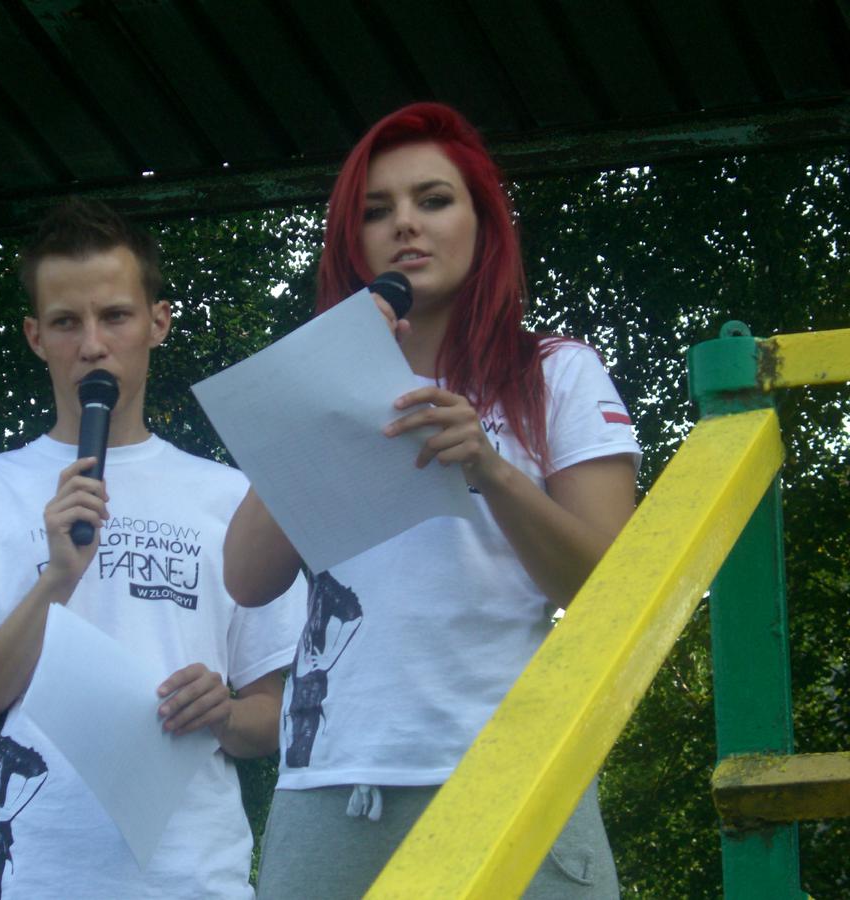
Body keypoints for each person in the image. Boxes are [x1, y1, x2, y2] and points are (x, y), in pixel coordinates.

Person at [224, 102, 641, 898]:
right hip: (331, 779)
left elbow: (610, 589)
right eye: (376, 211)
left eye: (434, 200)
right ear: (353, 243)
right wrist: (320, 389)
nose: (405, 225)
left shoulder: (557, 372)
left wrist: (489, 466)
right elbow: (246, 578)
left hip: (511, 769)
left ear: (483, 222)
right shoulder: (320, 384)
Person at [0, 198, 304, 899]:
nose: (92, 344)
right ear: (35, 336)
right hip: (29, 875)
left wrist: (223, 713)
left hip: (191, 880)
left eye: (115, 316)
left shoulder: (230, 497)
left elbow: (278, 713)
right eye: (66, 322)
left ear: (158, 322)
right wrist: (55, 580)